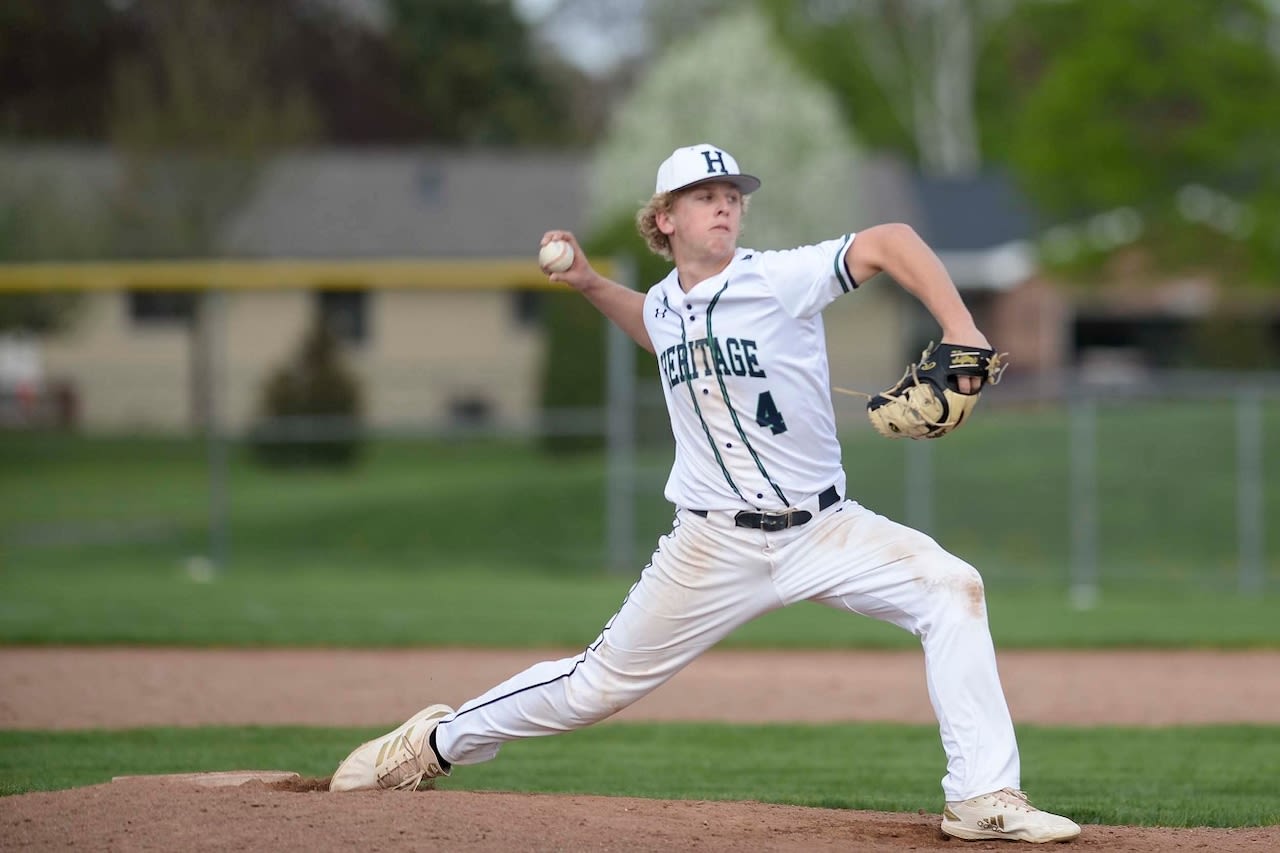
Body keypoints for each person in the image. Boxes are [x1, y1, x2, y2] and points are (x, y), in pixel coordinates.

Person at [328, 143, 1081, 845]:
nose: (723, 205)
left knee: (953, 587)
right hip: (711, 543)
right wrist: (591, 284)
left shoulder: (776, 278)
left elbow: (891, 240)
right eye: (702, 196)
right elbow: (658, 329)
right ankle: (431, 743)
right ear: (664, 219)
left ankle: (982, 795)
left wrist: (962, 329)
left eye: (732, 195)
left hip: (824, 530)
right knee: (592, 688)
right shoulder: (664, 302)